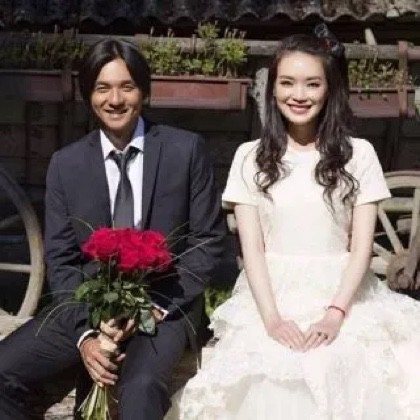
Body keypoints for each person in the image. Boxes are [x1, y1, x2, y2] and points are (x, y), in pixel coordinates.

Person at [169, 26, 420, 419]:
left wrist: (335, 313)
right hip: (271, 295)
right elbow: (252, 250)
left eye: (312, 84)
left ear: (329, 89)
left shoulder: (359, 155)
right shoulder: (250, 157)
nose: (298, 95)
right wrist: (271, 320)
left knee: (341, 363)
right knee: (273, 373)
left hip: (343, 294)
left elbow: (361, 247)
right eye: (287, 83)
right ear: (273, 90)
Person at [0, 38, 226, 419]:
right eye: (103, 88)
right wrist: (86, 337)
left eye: (127, 87)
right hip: (87, 309)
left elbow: (208, 241)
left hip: (162, 306)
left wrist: (153, 309)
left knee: (139, 388)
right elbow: (62, 261)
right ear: (89, 95)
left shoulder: (185, 151)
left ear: (144, 92)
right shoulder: (66, 165)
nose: (115, 100)